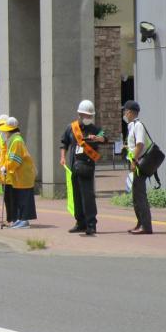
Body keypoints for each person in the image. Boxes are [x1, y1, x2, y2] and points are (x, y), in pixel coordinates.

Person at [60, 100, 107, 236]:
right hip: (74, 167)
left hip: (87, 167)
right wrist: (62, 157)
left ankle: (91, 224)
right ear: (79, 114)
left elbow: (105, 138)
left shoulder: (95, 129)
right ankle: (80, 223)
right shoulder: (71, 128)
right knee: (76, 197)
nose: (88, 118)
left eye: (90, 116)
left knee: (88, 196)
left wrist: (98, 139)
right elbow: (64, 143)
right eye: (85, 115)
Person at [0, 117, 37, 228]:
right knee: (20, 198)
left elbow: (15, 160)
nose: (5, 133)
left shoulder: (16, 141)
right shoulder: (14, 140)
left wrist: (6, 167)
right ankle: (21, 219)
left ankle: (24, 220)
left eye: (6, 131)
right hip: (20, 175)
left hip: (23, 175)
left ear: (10, 131)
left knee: (24, 198)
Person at [124, 100, 153, 235]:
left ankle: (146, 226)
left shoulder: (138, 125)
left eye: (125, 111)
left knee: (140, 196)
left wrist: (134, 161)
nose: (124, 114)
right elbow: (135, 145)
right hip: (138, 164)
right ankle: (140, 223)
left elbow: (140, 145)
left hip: (140, 164)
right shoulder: (132, 126)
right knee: (136, 196)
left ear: (130, 112)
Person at [0, 115, 14, 226]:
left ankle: (11, 219)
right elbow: (1, 153)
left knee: (10, 198)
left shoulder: (9, 137)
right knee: (6, 198)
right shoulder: (2, 136)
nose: (1, 128)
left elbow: (8, 155)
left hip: (9, 172)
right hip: (4, 170)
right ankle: (9, 218)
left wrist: (5, 166)